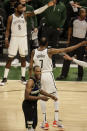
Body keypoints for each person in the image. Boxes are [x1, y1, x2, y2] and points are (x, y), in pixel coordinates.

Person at [29, 36, 87, 130]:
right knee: (55, 97)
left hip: (38, 76)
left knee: (42, 97)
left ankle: (45, 122)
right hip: (48, 75)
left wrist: (30, 78)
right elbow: (67, 49)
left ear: (39, 43)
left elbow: (31, 67)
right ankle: (56, 121)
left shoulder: (33, 52)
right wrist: (80, 44)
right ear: (47, 44)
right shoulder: (49, 51)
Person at [0, 1, 55, 86]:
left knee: (23, 58)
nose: (22, 9)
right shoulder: (11, 17)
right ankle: (4, 78)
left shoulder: (25, 15)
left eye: (22, 7)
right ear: (16, 9)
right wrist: (6, 39)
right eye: (20, 8)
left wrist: (47, 5)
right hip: (14, 38)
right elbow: (7, 30)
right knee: (10, 59)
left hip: (23, 38)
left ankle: (22, 77)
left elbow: (36, 12)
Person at [22, 65, 58, 131]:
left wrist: (51, 96)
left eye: (40, 71)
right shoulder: (30, 82)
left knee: (34, 125)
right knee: (30, 128)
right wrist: (40, 98)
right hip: (28, 106)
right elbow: (26, 97)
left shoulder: (38, 80)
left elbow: (40, 90)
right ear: (34, 71)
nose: (39, 73)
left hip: (33, 105)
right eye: (37, 71)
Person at [57, 8, 87, 81]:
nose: (85, 14)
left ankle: (80, 76)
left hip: (82, 42)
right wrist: (68, 40)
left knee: (80, 59)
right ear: (80, 13)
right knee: (67, 58)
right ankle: (63, 75)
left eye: (85, 13)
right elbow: (70, 29)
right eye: (83, 12)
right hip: (73, 41)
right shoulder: (73, 19)